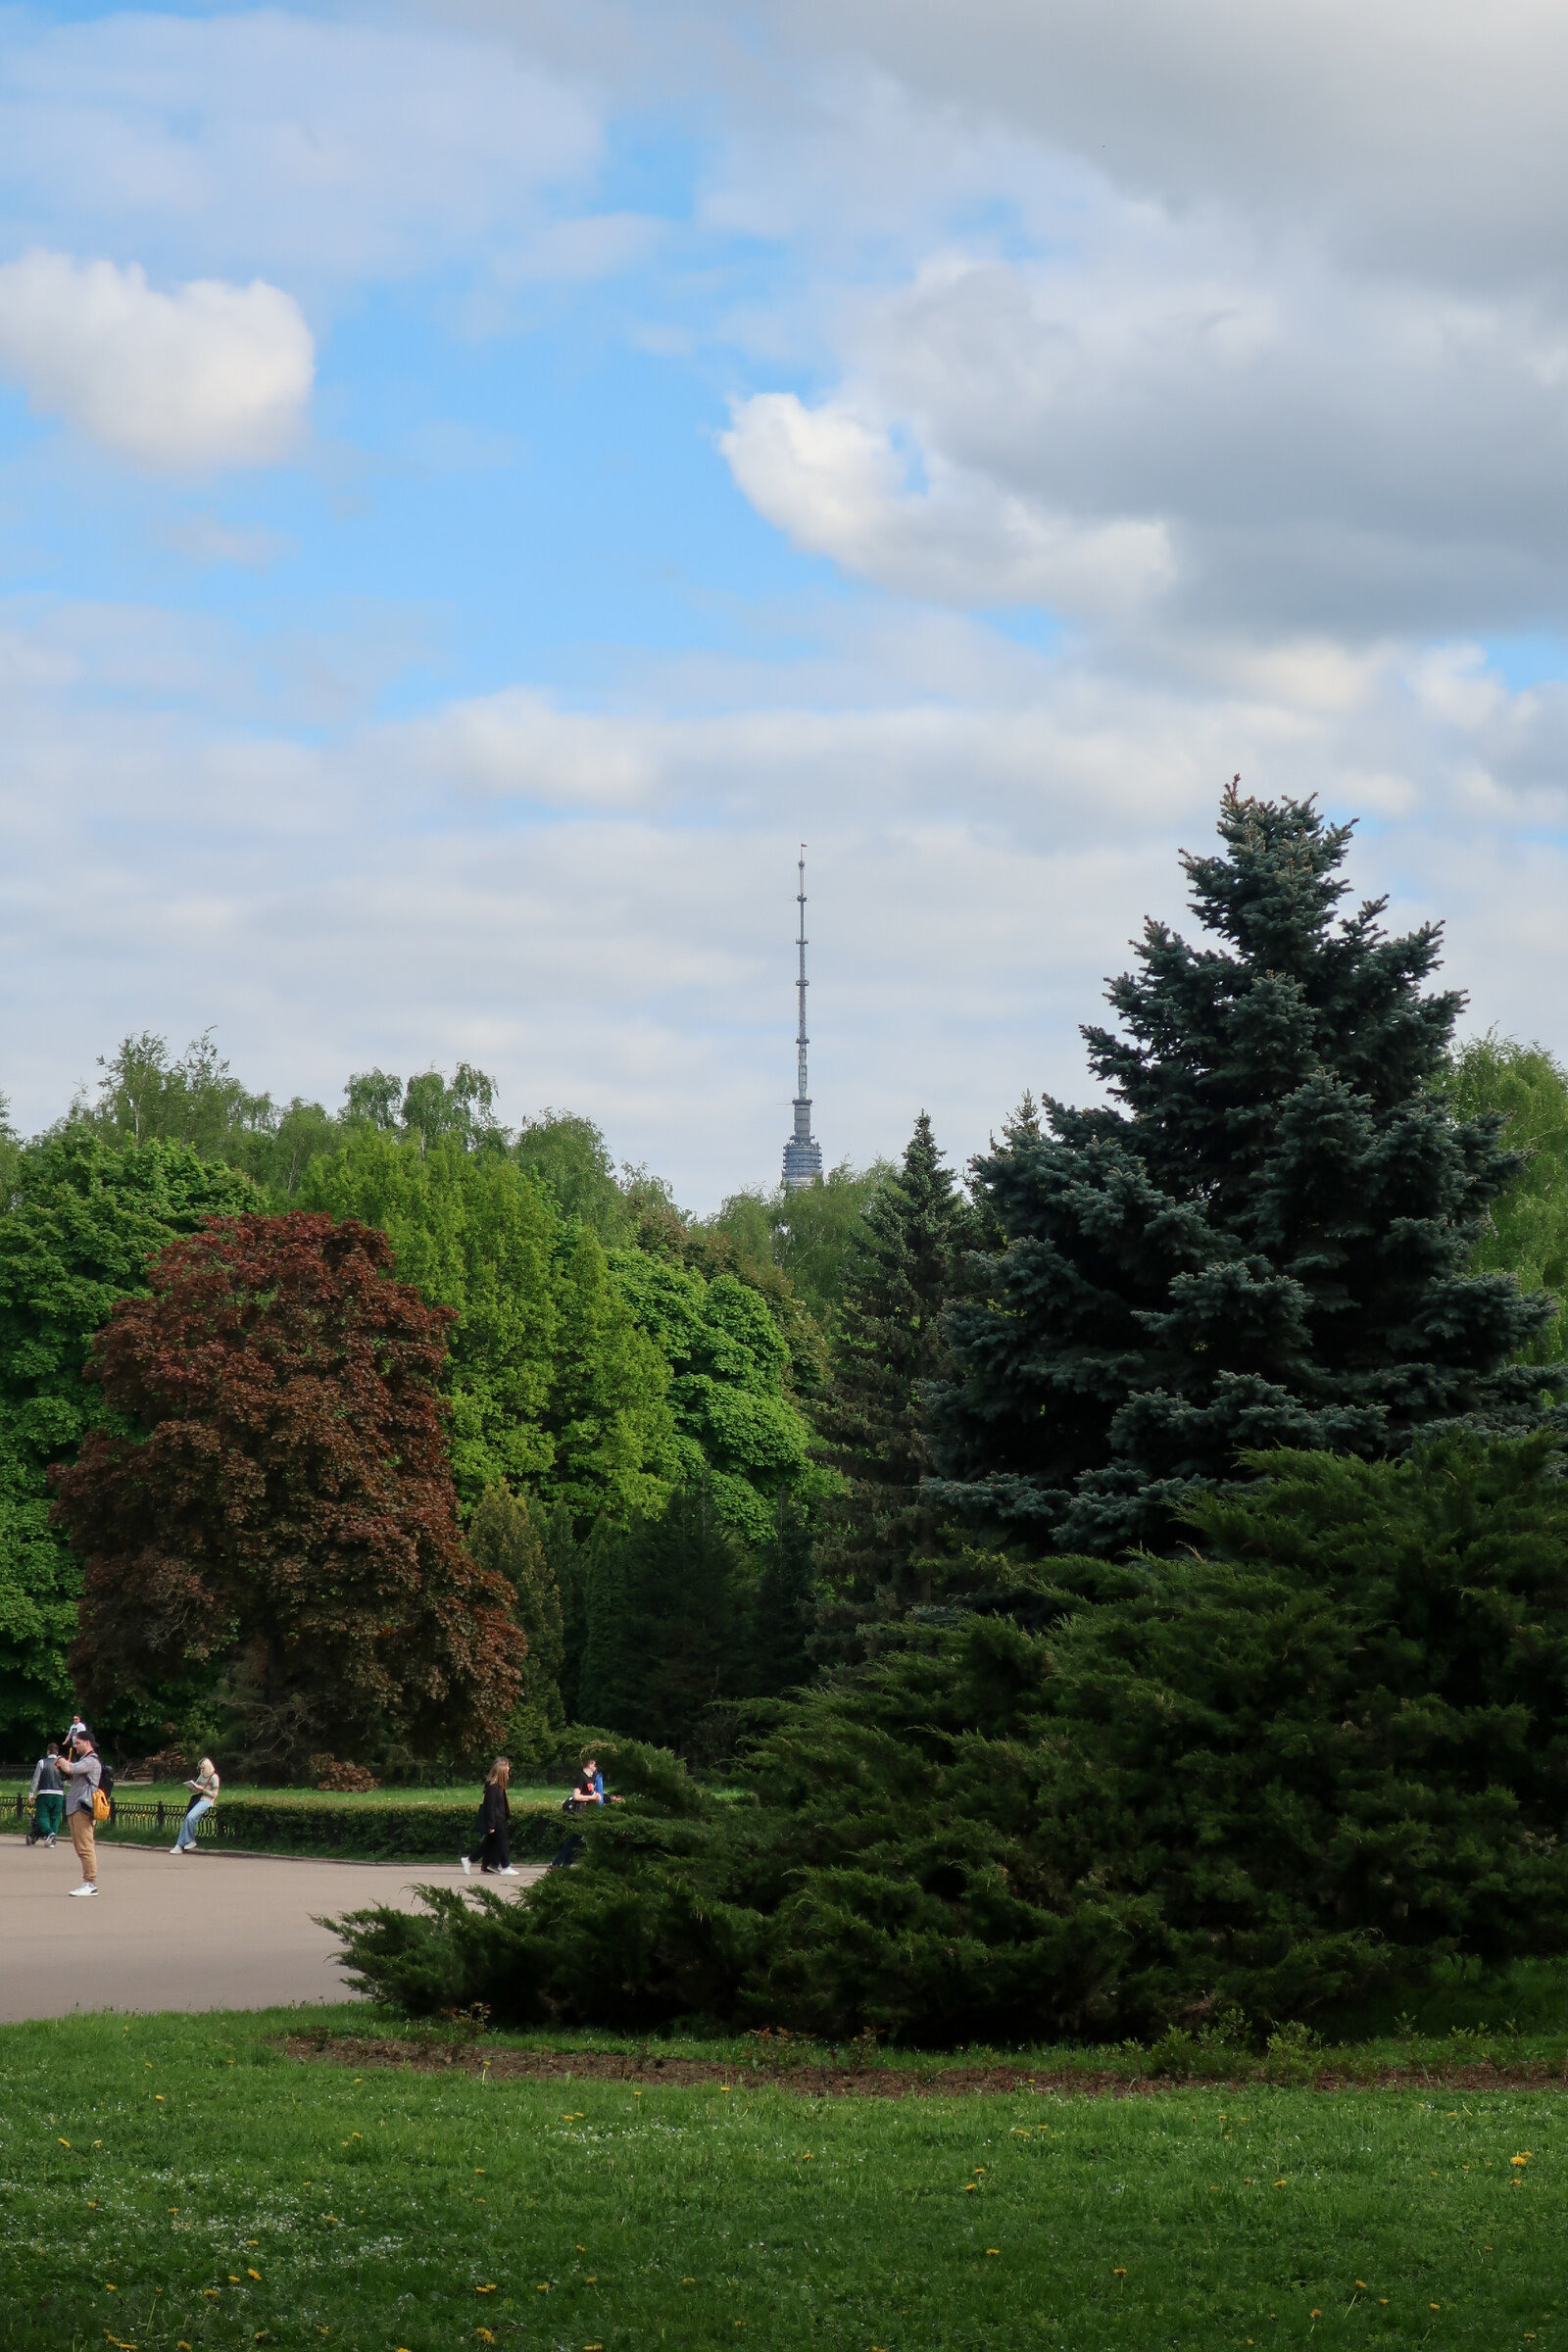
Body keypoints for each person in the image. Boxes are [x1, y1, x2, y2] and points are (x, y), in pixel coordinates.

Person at [461, 1757, 519, 1878]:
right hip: (496, 1820)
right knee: (502, 1843)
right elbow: (490, 1808)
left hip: (500, 1819)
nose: (509, 1769)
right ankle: (505, 1866)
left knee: (488, 1844)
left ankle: (470, 1860)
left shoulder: (499, 1786)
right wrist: (491, 1825)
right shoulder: (493, 1787)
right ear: (501, 1771)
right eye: (507, 1768)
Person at [61, 1731, 103, 1897]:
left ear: (88, 1743)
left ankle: (90, 1883)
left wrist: (61, 1760)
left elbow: (70, 1768)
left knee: (85, 1847)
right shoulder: (85, 1760)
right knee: (79, 1848)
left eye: (78, 1743)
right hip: (75, 1807)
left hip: (83, 1808)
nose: (75, 1746)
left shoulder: (91, 1761)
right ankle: (88, 1882)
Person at [171, 1756, 220, 1853]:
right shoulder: (201, 1776)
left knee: (190, 1817)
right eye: (200, 1768)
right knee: (187, 1818)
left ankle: (186, 1842)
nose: (201, 1770)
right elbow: (196, 1786)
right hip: (198, 1800)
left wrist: (203, 1790)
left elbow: (214, 1794)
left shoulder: (214, 1777)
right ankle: (180, 1844)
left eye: (203, 1768)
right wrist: (192, 1788)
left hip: (207, 1801)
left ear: (208, 1767)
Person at [25, 1742, 64, 1847]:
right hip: (59, 1794)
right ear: (57, 1753)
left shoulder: (42, 1762)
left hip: (44, 1793)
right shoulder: (61, 1763)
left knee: (42, 1816)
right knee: (55, 1817)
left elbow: (36, 1779)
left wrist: (31, 1793)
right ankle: (52, 1840)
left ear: (48, 1752)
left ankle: (49, 1833)